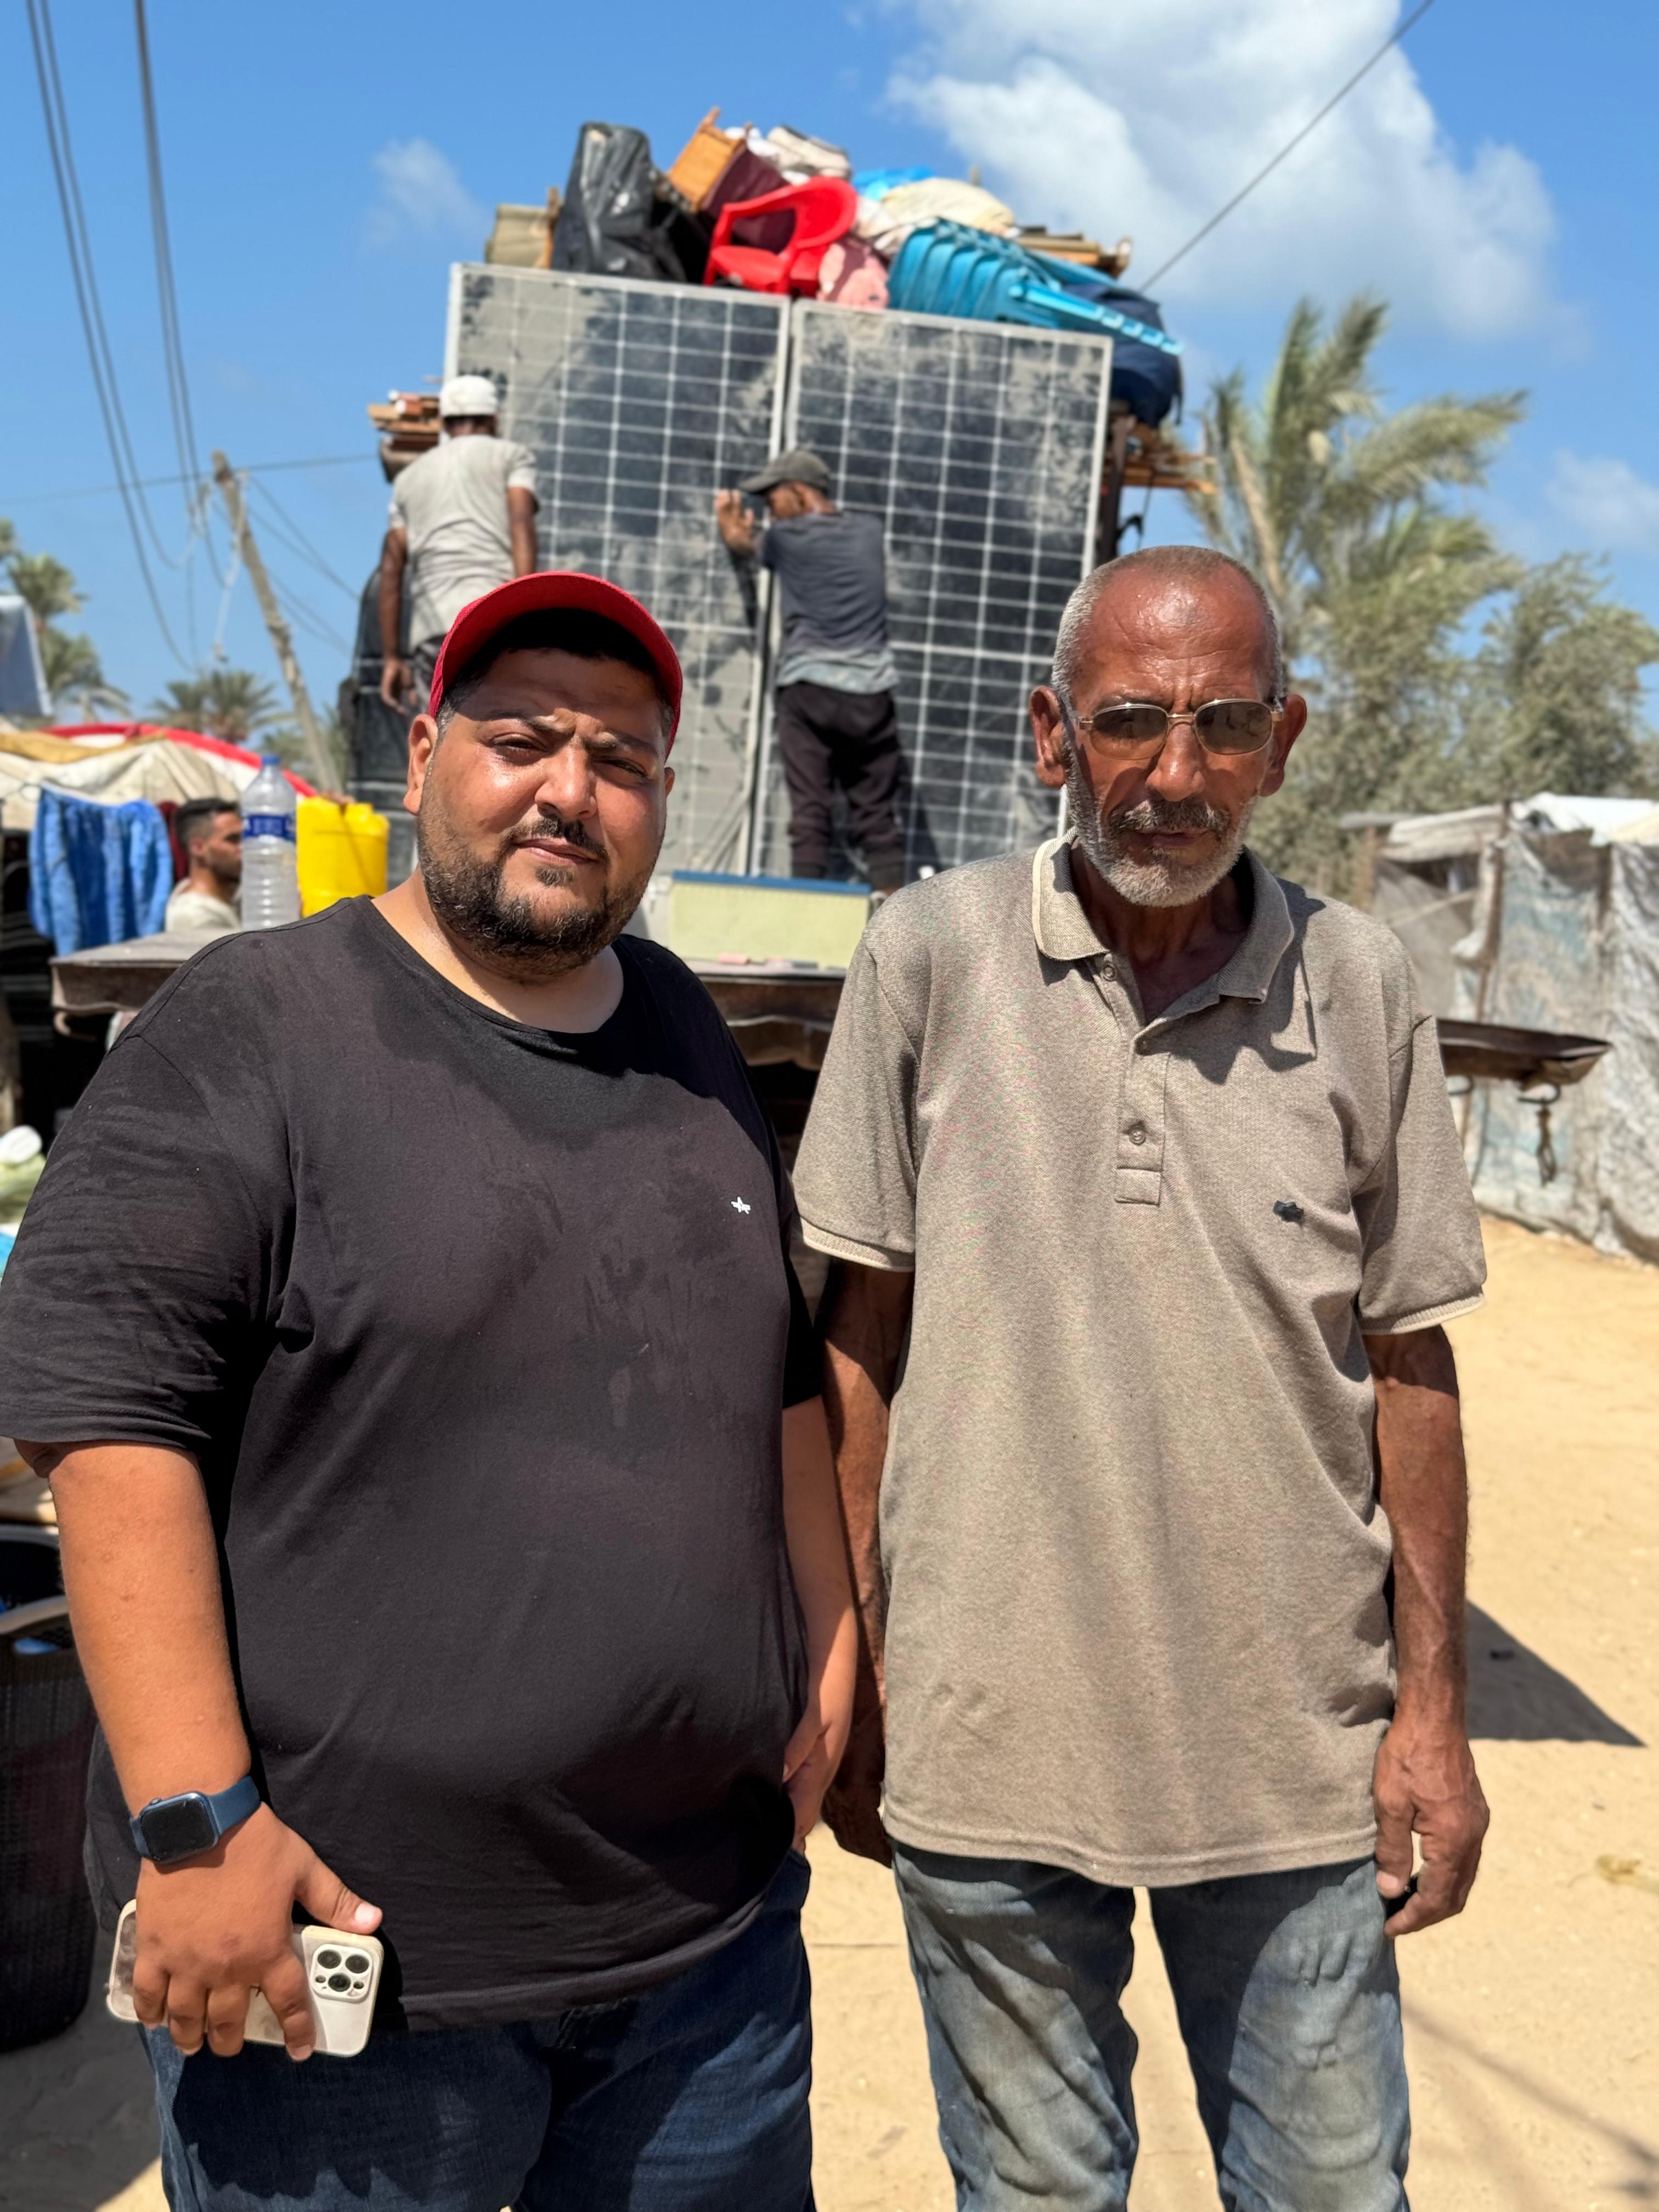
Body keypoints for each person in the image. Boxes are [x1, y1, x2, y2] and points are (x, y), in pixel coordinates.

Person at [0, 571, 855, 2212]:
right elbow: (105, 1418)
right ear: (422, 752)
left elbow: (771, 1362)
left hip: (708, 1965)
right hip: (357, 1984)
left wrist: (830, 1634)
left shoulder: (686, 1030)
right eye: (523, 740)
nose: (569, 791)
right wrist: (196, 1824)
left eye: (621, 760)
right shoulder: (255, 1027)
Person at [795, 543, 1491, 2211]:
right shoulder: (928, 955)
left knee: (1332, 2192)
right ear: (1053, 732)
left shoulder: (1361, 985)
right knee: (1035, 2197)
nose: (1177, 776)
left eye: (1225, 725)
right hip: (988, 1744)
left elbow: (1411, 1360)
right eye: (1129, 721)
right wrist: (859, 1671)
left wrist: (1435, 1717)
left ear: (1283, 742)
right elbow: (859, 1344)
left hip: (1296, 1759)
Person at [715, 448, 906, 893]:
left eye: (773, 501)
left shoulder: (784, 539)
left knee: (810, 814)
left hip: (808, 692)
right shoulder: (869, 531)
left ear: (799, 493)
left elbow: (744, 545)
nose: (770, 512)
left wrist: (730, 525)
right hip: (871, 694)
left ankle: (805, 918)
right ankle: (898, 918)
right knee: (878, 818)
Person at [379, 374, 539, 715]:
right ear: (494, 419)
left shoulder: (408, 479)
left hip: (432, 631)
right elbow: (521, 522)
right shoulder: (510, 457)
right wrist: (525, 611)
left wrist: (392, 657)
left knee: (439, 728)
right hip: (492, 618)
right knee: (499, 725)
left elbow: (391, 569)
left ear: (443, 421)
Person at [164, 798, 242, 933]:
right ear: (198, 848)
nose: (244, 848)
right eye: (233, 840)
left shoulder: (225, 894)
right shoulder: (195, 918)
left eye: (245, 838)